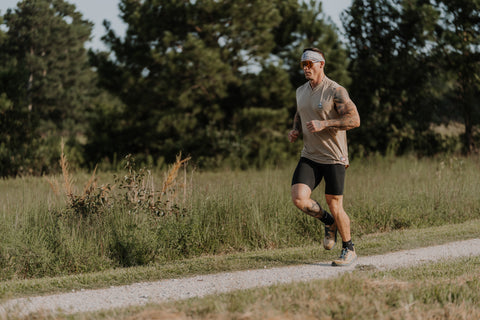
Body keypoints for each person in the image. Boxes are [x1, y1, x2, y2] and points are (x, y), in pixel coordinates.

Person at [288, 47, 360, 266]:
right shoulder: (301, 91)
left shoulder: (335, 90)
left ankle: (349, 249)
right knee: (299, 198)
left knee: (334, 204)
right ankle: (328, 223)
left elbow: (354, 120)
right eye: (303, 64)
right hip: (310, 155)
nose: (306, 68)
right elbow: (300, 112)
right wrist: (296, 130)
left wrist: (325, 123)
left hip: (334, 157)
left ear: (322, 64)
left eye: (310, 63)